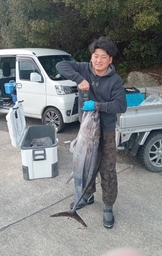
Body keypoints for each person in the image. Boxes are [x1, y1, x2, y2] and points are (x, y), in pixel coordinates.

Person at [56, 37, 127, 229]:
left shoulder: (115, 81)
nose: (98, 60)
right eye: (95, 56)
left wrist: (97, 105)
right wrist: (80, 79)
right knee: (83, 166)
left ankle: (108, 207)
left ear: (110, 60)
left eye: (103, 57)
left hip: (106, 132)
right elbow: (60, 65)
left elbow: (122, 105)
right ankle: (86, 196)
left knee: (107, 170)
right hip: (85, 129)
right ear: (91, 57)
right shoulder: (84, 68)